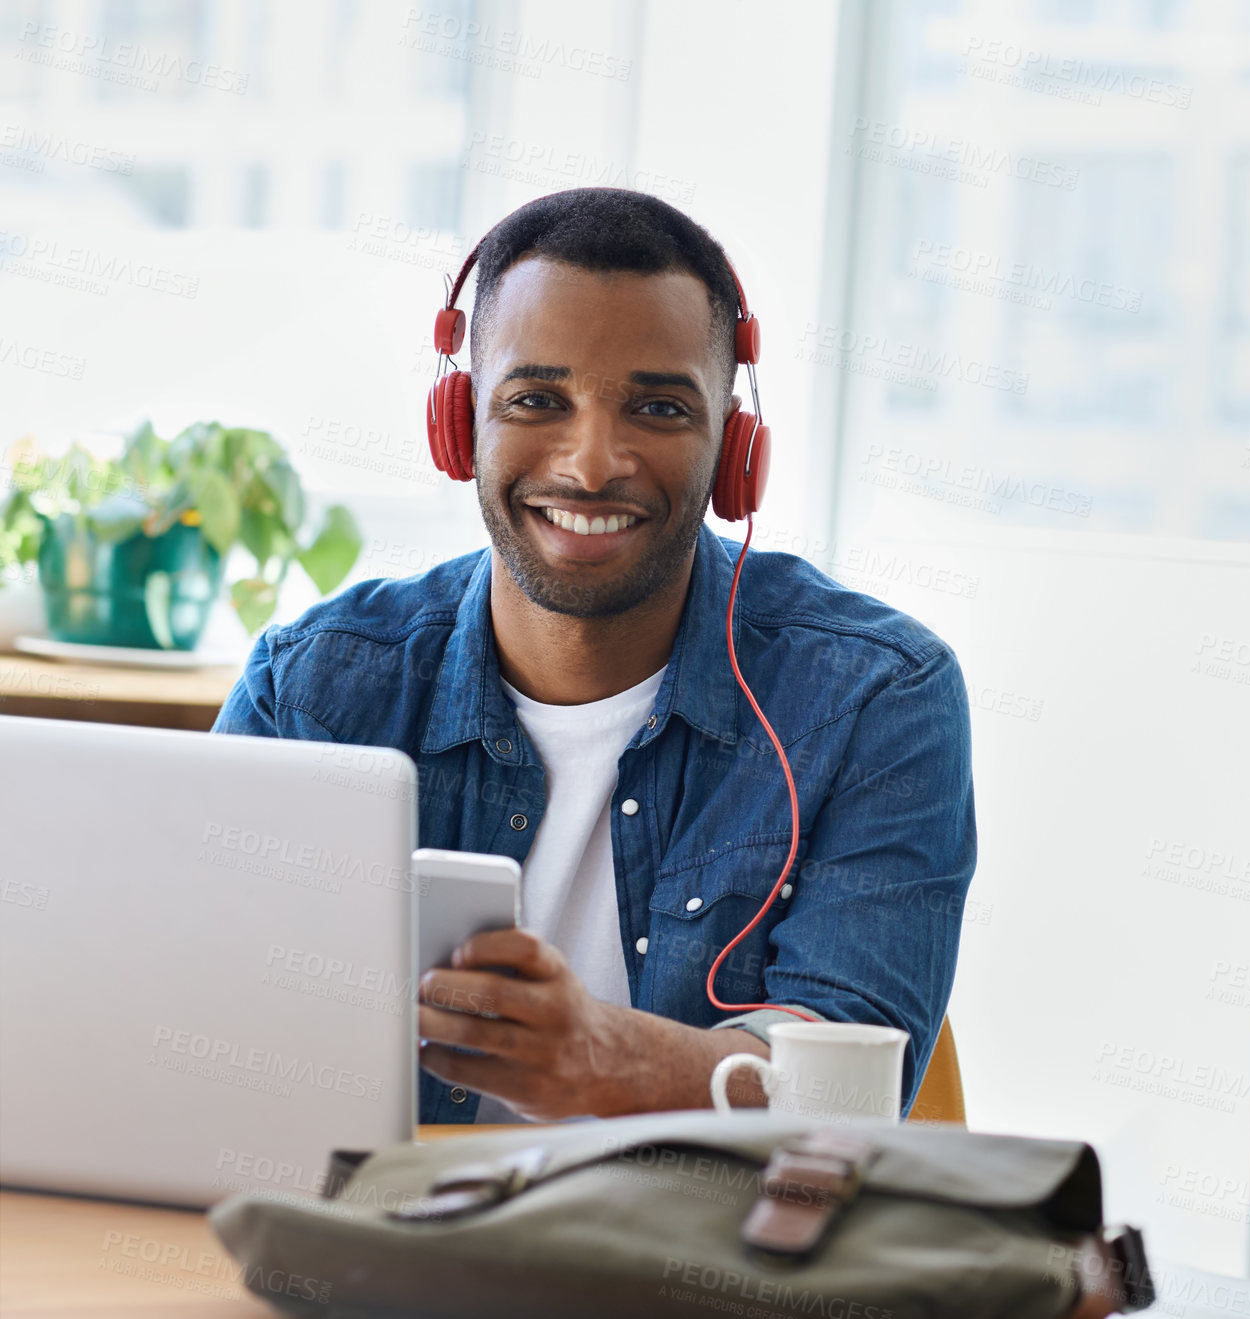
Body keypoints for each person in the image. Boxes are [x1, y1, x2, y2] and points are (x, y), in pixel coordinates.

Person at [212, 187, 976, 1124]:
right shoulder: (313, 690)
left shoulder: (874, 697)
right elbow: (196, 1011)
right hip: (375, 1241)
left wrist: (608, 1061)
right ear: (460, 422)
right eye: (537, 399)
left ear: (734, 447)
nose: (589, 462)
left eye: (657, 407)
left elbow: (845, 1091)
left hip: (689, 1259)